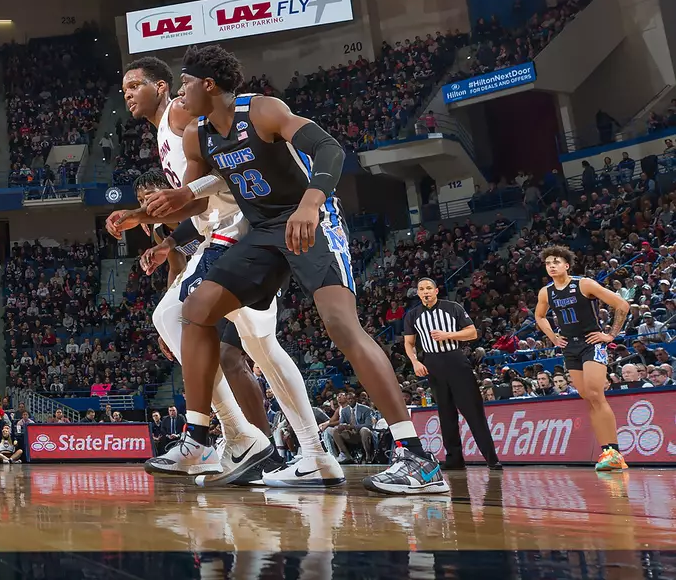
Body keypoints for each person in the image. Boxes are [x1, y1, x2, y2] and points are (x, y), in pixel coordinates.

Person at [143, 43, 444, 495]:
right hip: (263, 231)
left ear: (208, 84)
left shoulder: (262, 110)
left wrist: (311, 201)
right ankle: (197, 437)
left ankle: (416, 458)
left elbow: (329, 149)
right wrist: (159, 210)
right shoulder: (197, 135)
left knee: (342, 326)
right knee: (195, 308)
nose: (180, 91)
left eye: (185, 82)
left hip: (312, 220)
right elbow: (200, 191)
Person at [109, 56, 342, 489]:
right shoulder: (166, 127)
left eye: (134, 86)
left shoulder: (180, 112)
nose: (127, 95)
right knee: (253, 347)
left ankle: (247, 439)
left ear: (162, 87)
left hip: (239, 229)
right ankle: (288, 448)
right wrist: (151, 222)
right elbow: (191, 199)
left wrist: (177, 211)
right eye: (123, 89)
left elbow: (221, 171)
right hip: (218, 232)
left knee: (232, 339)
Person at [534, 245, 632, 472]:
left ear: (567, 265)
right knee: (588, 397)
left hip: (591, 343)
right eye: (548, 263)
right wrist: (553, 337)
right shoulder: (545, 292)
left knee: (596, 394)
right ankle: (606, 450)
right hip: (569, 346)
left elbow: (622, 305)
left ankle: (615, 453)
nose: (552, 266)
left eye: (556, 262)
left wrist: (610, 335)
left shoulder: (584, 284)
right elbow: (539, 316)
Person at [403, 277, 500, 469]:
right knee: (445, 414)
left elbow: (472, 332)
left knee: (473, 411)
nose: (425, 291)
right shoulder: (412, 315)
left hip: (455, 358)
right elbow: (409, 343)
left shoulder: (452, 307)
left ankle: (492, 459)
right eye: (421, 289)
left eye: (429, 288)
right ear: (418, 293)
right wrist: (415, 362)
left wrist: (448, 335)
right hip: (432, 362)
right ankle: (454, 459)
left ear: (436, 290)